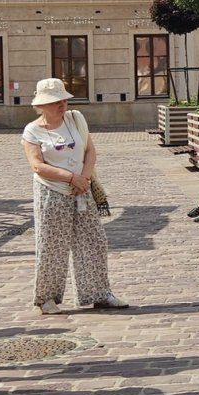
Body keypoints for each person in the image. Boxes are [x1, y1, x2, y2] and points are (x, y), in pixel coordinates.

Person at [22, 78, 128, 315]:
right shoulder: (33, 130)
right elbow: (37, 165)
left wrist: (85, 179)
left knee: (94, 240)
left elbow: (90, 150)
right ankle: (47, 298)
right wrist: (71, 178)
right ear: (41, 105)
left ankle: (99, 293)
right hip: (52, 192)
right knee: (52, 246)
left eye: (63, 100)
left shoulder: (76, 119)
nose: (61, 105)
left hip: (82, 189)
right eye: (55, 102)